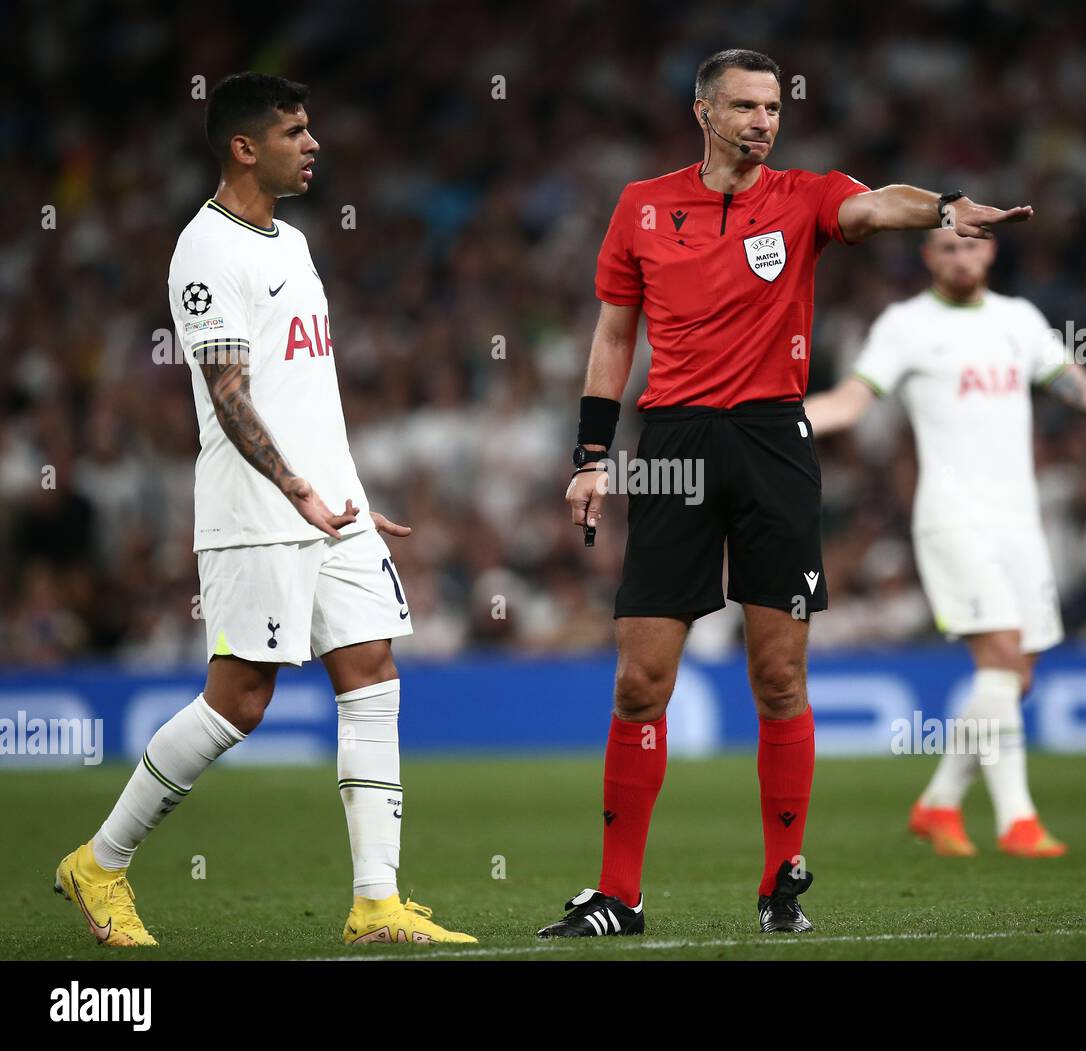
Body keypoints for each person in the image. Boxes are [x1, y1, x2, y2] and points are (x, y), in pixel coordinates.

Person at [543, 48, 1034, 937]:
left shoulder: (806, 196)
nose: (763, 121)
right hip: (674, 447)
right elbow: (615, 336)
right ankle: (619, 894)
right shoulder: (641, 206)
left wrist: (945, 207)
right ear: (703, 112)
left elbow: (875, 205)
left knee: (778, 676)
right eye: (744, 106)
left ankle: (781, 886)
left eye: (772, 107)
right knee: (640, 682)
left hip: (774, 440)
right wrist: (590, 455)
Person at [53, 72, 474, 947]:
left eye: (310, 127)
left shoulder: (295, 241)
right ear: (244, 147)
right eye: (294, 131)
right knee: (240, 700)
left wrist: (345, 492)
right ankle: (99, 862)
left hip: (331, 506)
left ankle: (376, 902)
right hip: (259, 509)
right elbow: (230, 393)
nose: (313, 144)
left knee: (372, 672)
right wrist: (295, 488)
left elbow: (300, 388)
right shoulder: (207, 249)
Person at [805, 226, 1086, 857]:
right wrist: (771, 423)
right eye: (947, 246)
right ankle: (1018, 820)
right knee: (1001, 656)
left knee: (1016, 676)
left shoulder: (1018, 319)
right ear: (929, 256)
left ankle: (938, 803)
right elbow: (850, 403)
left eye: (971, 245)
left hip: (1020, 520)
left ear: (990, 251)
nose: (961, 256)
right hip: (951, 517)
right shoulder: (904, 325)